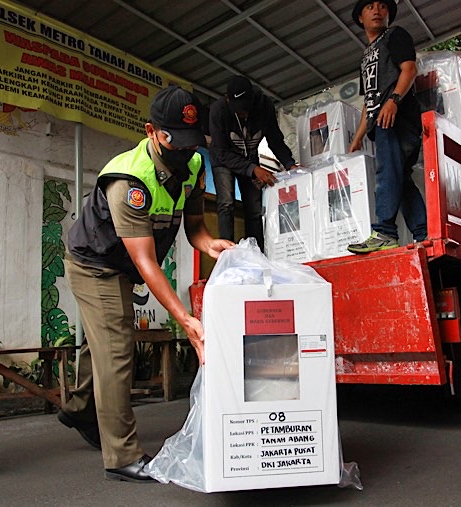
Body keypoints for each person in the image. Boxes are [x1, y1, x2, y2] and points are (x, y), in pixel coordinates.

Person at [60, 85, 234, 482]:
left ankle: (77, 408)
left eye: (193, 142)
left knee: (100, 343)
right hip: (95, 264)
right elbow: (146, 260)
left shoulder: (192, 165)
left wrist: (212, 245)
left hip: (125, 264)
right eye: (176, 140)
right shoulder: (129, 180)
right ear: (152, 131)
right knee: (118, 350)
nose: (185, 151)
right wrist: (185, 320)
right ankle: (121, 456)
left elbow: (195, 228)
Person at [346, 0, 427, 254]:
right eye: (370, 7)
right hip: (379, 120)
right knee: (399, 178)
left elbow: (409, 69)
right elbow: (368, 100)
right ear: (360, 17)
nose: (377, 10)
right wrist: (358, 137)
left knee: (387, 174)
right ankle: (423, 233)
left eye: (382, 6)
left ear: (389, 14)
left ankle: (384, 232)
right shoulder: (366, 55)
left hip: (396, 119)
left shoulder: (395, 35)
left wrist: (393, 100)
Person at [209, 75, 297, 252]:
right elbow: (221, 152)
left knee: (254, 209)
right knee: (226, 203)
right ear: (228, 99)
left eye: (246, 108)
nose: (244, 113)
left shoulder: (264, 106)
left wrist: (290, 164)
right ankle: (227, 253)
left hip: (249, 157)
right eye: (239, 110)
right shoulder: (218, 111)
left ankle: (256, 252)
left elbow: (274, 139)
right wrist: (253, 169)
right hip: (223, 159)